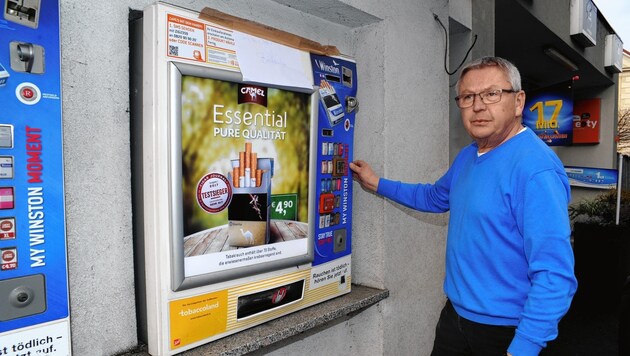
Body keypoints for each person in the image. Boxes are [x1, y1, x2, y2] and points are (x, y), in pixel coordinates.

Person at [349, 56, 577, 356]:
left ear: (519, 102)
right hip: (456, 318)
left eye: (492, 94)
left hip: (507, 333)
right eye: (468, 97)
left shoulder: (536, 170)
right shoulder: (469, 156)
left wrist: (525, 346)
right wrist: (377, 183)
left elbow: (555, 275)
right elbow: (434, 197)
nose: (478, 106)